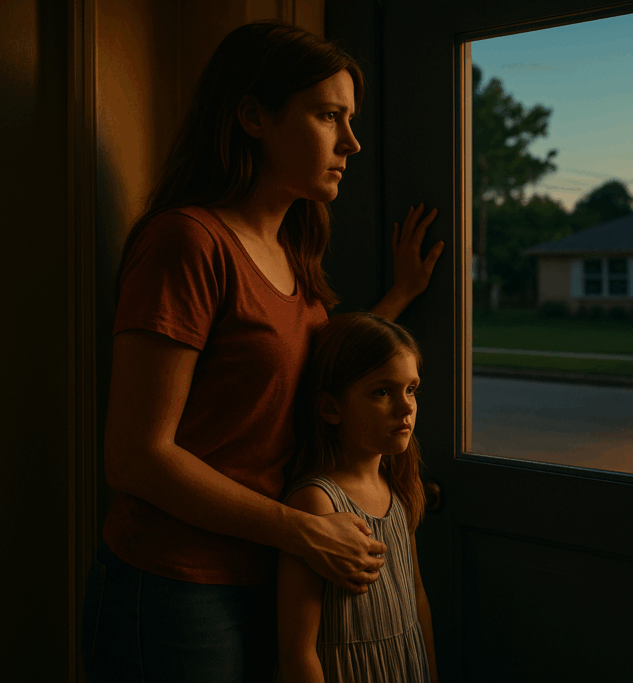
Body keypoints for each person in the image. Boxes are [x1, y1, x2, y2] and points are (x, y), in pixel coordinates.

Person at [81, 20, 444, 683]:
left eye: (350, 119)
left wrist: (396, 300)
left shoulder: (294, 250)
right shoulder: (187, 243)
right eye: (328, 116)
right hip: (179, 587)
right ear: (253, 115)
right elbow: (135, 457)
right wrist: (303, 530)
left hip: (269, 576)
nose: (352, 142)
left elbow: (303, 373)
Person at [277, 312, 437, 683]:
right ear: (331, 408)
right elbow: (295, 652)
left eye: (411, 389)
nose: (406, 406)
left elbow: (417, 598)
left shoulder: (398, 484)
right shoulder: (317, 503)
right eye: (383, 392)